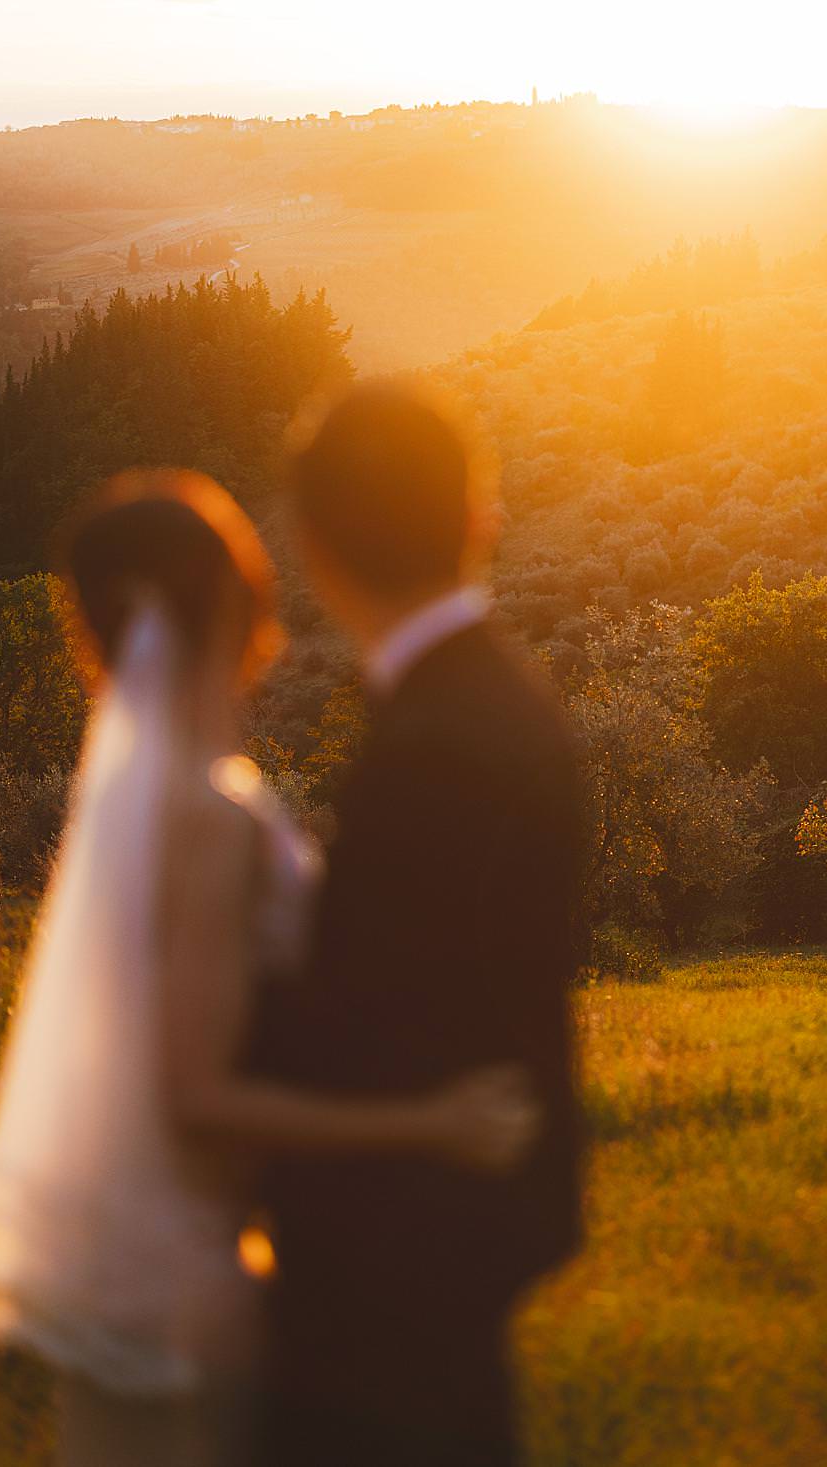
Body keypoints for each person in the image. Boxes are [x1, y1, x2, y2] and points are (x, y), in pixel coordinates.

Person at [0, 470, 539, 1467]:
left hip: (133, 1273)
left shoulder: (153, 807)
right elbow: (197, 1097)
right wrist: (429, 1122)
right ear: (234, 599)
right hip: (191, 1288)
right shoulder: (208, 821)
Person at [252, 383, 587, 1467]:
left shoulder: (432, 745)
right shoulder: (505, 702)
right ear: (481, 517)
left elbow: (365, 1028)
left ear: (311, 550)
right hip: (453, 1238)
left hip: (391, 1266)